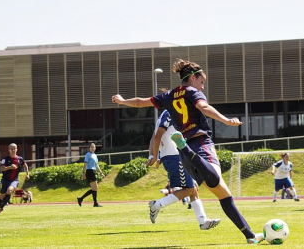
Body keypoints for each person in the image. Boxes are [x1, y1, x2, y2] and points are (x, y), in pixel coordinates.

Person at [112, 59, 264, 244]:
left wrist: (122, 101)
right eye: (202, 82)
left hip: (184, 155)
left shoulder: (168, 95)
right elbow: (204, 107)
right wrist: (226, 120)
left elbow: (140, 102)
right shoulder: (193, 92)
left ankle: (250, 236)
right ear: (192, 78)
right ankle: (185, 148)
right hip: (200, 143)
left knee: (221, 194)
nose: (202, 87)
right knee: (215, 178)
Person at [147, 109, 220, 230]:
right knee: (190, 190)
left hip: (174, 156)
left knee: (194, 187)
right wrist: (155, 156)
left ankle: (203, 221)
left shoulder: (163, 115)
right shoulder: (170, 113)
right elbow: (157, 135)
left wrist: (153, 155)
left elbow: (153, 137)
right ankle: (157, 204)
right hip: (175, 156)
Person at [0, 143, 30, 215]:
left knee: (10, 190)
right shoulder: (5, 159)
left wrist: (27, 174)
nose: (13, 150)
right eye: (12, 148)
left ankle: (1, 208)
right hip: (5, 180)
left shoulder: (20, 159)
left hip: (14, 180)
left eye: (15, 148)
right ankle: (0, 206)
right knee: (2, 195)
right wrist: (10, 167)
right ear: (9, 150)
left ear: (17, 149)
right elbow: (2, 168)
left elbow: (25, 165)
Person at [77, 143, 105, 207]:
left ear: (95, 148)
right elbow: (85, 164)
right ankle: (95, 203)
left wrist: (101, 173)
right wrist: (83, 172)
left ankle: (81, 199)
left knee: (94, 188)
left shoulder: (95, 155)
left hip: (93, 171)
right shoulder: (88, 154)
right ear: (89, 148)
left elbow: (96, 165)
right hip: (89, 171)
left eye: (94, 147)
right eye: (91, 147)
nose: (93, 148)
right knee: (94, 188)